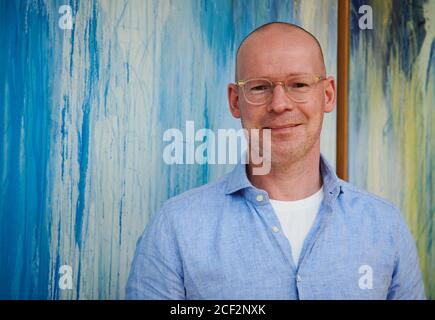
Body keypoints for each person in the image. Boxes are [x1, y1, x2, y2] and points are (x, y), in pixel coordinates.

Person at [126, 22, 425, 299]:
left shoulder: (386, 226)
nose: (280, 104)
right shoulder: (175, 228)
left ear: (328, 95)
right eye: (259, 87)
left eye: (299, 85)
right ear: (235, 101)